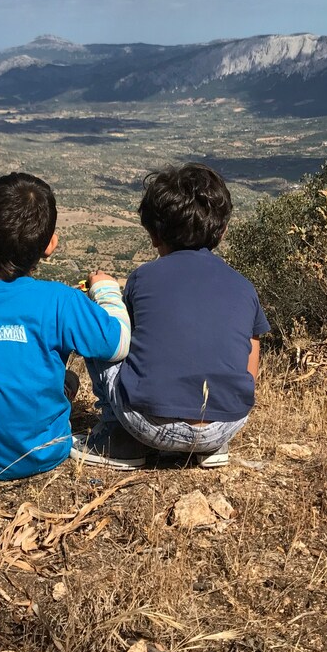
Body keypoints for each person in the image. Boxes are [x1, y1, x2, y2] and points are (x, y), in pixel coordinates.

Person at [0, 173, 130, 480]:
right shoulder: (60, 300)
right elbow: (117, 344)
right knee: (66, 379)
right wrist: (106, 291)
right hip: (42, 451)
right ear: (51, 245)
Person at [70, 163, 270, 470]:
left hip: (147, 424)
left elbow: (124, 340)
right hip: (226, 423)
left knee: (103, 322)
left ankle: (118, 440)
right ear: (223, 229)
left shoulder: (143, 277)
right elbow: (250, 360)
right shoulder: (243, 286)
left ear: (153, 233)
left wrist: (103, 292)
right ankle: (211, 449)